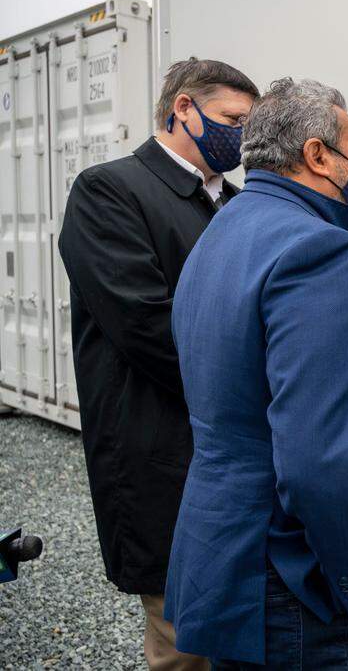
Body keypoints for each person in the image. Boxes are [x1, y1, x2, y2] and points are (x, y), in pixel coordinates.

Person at [163, 78, 348, 668]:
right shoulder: (319, 250)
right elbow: (319, 459)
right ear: (317, 154)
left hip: (227, 555)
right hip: (302, 577)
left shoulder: (222, 230)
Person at [58, 57, 258, 671]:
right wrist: (255, 387)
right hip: (162, 443)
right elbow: (145, 325)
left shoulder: (238, 204)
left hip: (235, 447)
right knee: (182, 634)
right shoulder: (109, 190)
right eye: (232, 120)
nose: (242, 138)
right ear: (183, 109)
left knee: (240, 619)